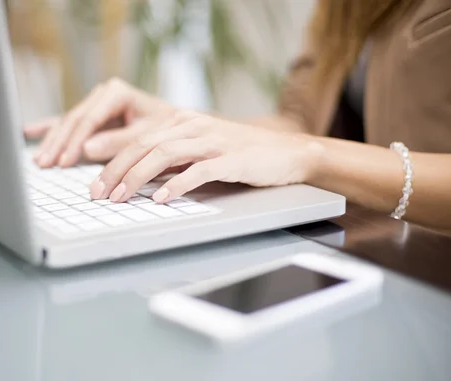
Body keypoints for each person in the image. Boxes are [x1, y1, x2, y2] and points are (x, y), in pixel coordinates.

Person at [24, 0, 451, 232]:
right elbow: (298, 121)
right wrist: (181, 124)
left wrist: (313, 155)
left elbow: (303, 145)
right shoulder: (343, 8)